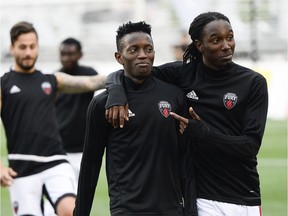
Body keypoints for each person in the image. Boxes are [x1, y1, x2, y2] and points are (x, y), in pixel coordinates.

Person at [105, 12, 269, 216]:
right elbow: (129, 73)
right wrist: (116, 91)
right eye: (216, 40)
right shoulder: (183, 74)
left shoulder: (253, 83)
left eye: (230, 37)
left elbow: (250, 146)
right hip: (203, 197)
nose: (226, 46)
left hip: (244, 193)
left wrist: (204, 134)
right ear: (200, 45)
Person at [74, 21, 197, 216]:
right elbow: (91, 164)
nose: (143, 55)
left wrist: (190, 211)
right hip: (128, 210)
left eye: (148, 49)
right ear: (119, 57)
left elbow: (185, 159)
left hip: (172, 209)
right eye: (134, 50)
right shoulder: (103, 105)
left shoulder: (174, 96)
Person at [0, 21, 106, 216]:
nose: (28, 52)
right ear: (12, 48)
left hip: (55, 160)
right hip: (21, 166)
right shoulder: (3, 84)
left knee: (71, 211)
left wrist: (124, 76)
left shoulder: (51, 80)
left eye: (32, 47)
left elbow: (92, 82)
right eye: (22, 47)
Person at [55, 37, 98, 182]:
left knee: (79, 198)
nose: (66, 58)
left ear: (80, 55)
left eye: (70, 54)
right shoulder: (55, 79)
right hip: (59, 149)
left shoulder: (89, 73)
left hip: (83, 150)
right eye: (63, 54)